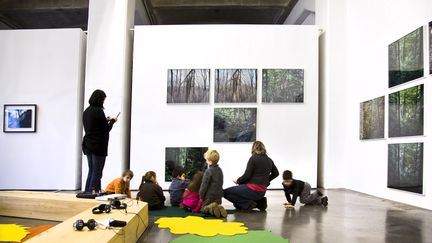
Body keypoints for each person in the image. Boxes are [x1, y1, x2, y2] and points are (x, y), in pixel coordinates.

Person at [224, 141, 279, 211]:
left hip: (252, 190)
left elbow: (247, 175)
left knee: (225, 192)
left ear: (253, 148)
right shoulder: (269, 160)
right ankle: (260, 203)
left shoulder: (253, 158)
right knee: (237, 204)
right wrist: (266, 181)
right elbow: (276, 173)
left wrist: (238, 181)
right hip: (262, 192)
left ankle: (248, 205)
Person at [82, 89, 117, 194]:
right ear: (100, 99)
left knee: (92, 170)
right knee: (97, 172)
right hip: (98, 146)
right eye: (103, 100)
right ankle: (94, 192)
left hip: (88, 144)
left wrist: (105, 120)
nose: (103, 102)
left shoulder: (86, 111)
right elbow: (106, 129)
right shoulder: (98, 111)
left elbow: (95, 126)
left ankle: (88, 191)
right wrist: (112, 121)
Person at [200, 149, 227, 218]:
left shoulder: (208, 171)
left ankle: (211, 207)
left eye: (206, 160)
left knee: (202, 209)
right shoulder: (220, 170)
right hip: (218, 196)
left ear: (210, 162)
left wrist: (201, 196)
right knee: (216, 206)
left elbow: (204, 185)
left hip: (210, 197)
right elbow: (221, 182)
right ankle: (218, 207)